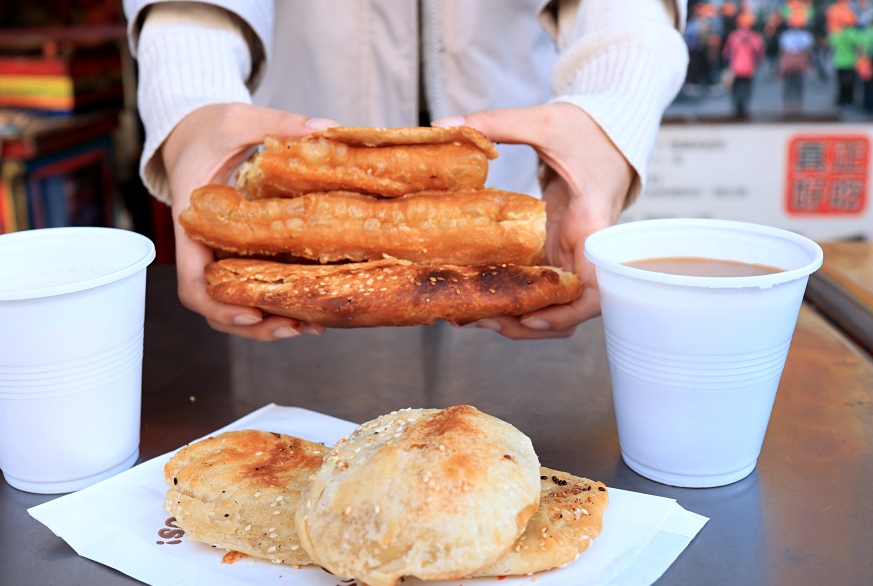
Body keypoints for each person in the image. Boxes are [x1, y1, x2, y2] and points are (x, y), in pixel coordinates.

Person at [123, 1, 689, 342]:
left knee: (507, 459)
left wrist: (611, 111)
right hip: (282, 217)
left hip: (520, 195)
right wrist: (192, 103)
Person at [721, 12, 764, 118]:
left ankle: (737, 107)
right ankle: (744, 108)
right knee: (747, 88)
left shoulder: (733, 36)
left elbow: (726, 52)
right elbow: (760, 52)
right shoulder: (755, 37)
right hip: (749, 68)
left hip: (735, 67)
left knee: (736, 88)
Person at [777, 14, 813, 115]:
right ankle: (798, 106)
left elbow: (782, 52)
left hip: (788, 64)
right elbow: (808, 52)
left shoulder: (785, 35)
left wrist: (780, 65)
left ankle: (787, 106)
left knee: (787, 85)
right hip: (801, 64)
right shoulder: (806, 36)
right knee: (799, 85)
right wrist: (809, 64)